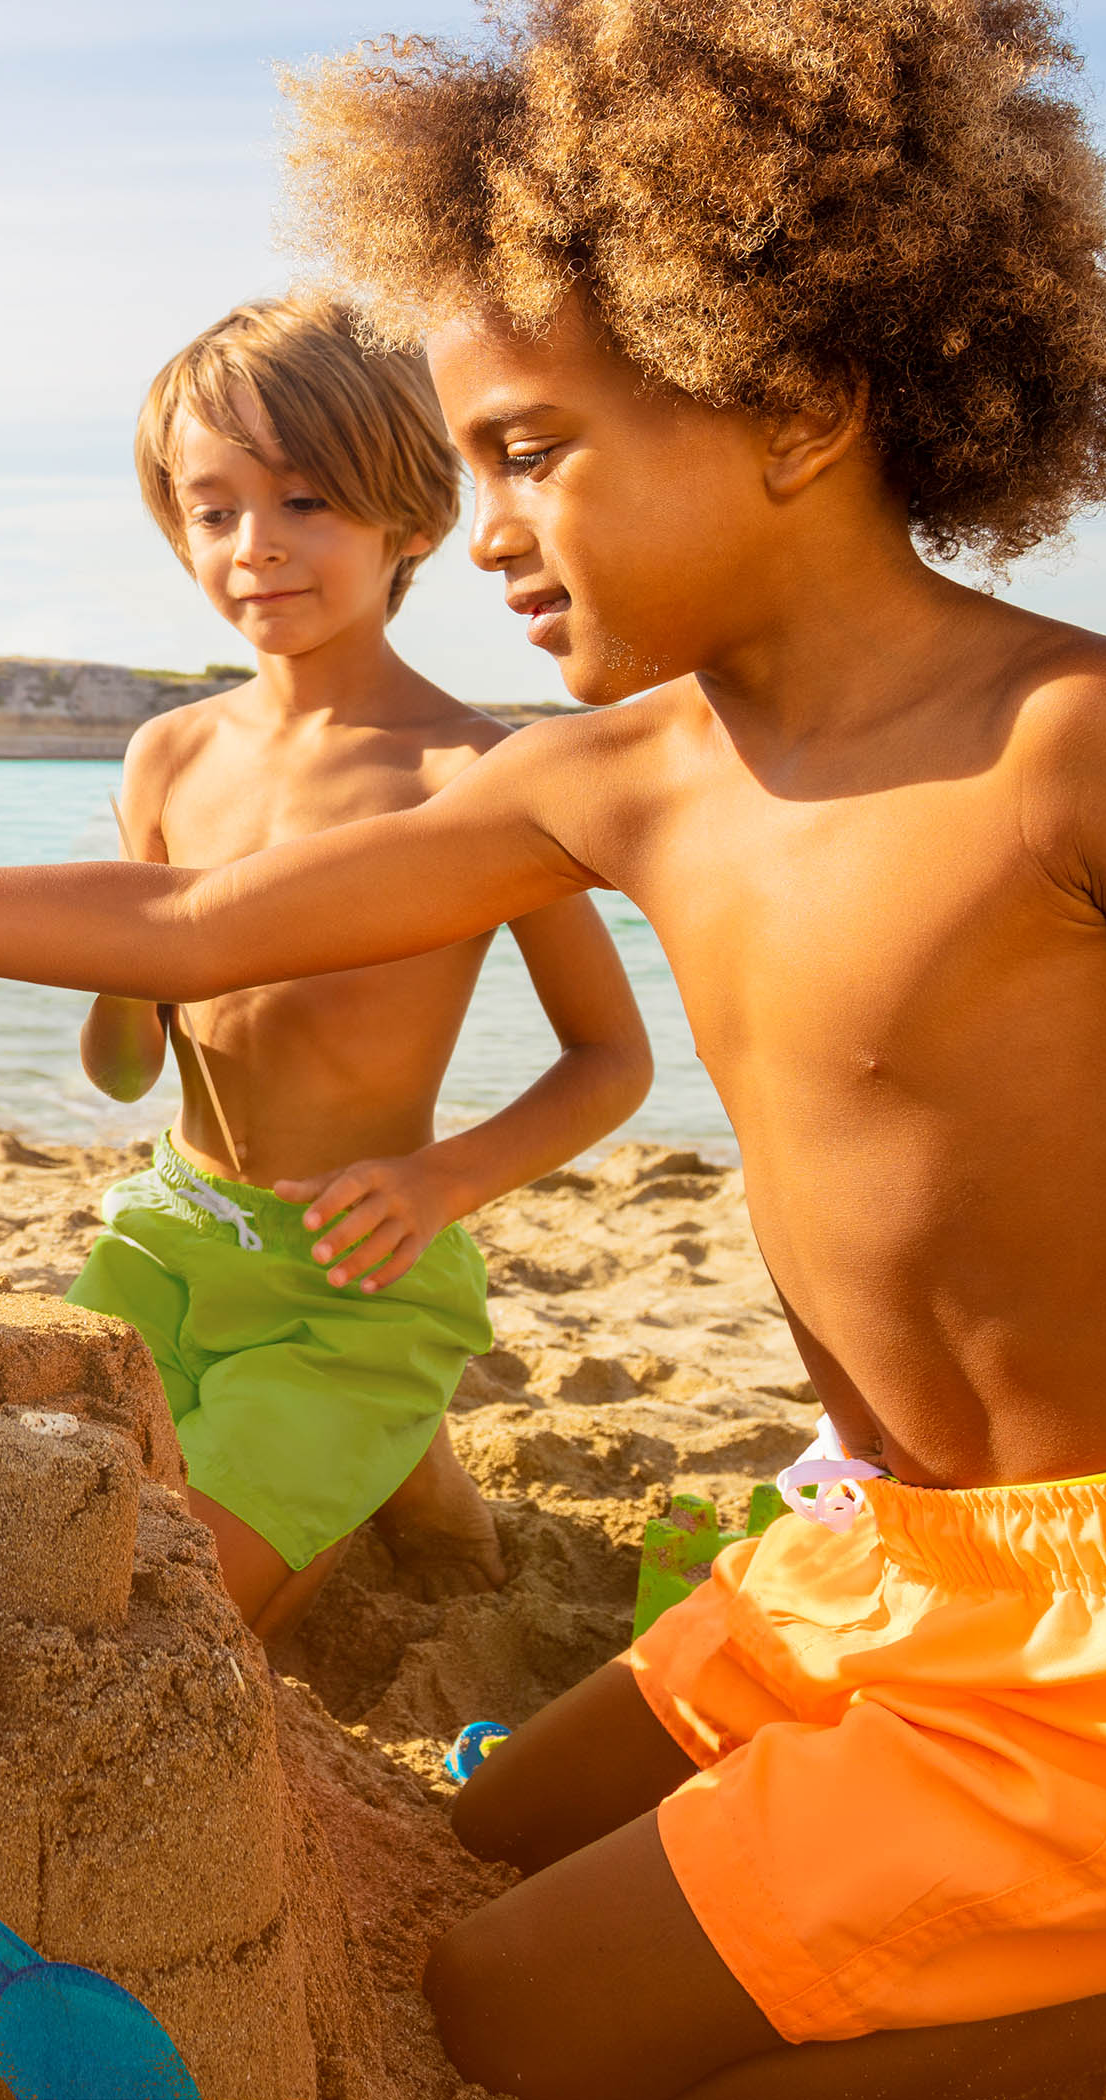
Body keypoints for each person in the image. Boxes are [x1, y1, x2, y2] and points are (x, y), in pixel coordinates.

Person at [0, 0, 1106, 2088]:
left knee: (514, 2018)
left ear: (804, 401)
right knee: (482, 1836)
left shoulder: (1080, 741)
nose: (480, 533)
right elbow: (196, 921)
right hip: (872, 1549)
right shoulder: (627, 773)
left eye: (531, 455)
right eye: (470, 468)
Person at [70, 294, 650, 1641]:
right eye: (213, 513)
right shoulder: (168, 758)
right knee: (36, 1513)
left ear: (413, 520)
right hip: (170, 1238)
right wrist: (114, 958)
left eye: (307, 502)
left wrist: (442, 1181)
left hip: (353, 1274)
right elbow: (118, 1072)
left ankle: (377, 1446)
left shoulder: (479, 776)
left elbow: (613, 1060)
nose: (255, 548)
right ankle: (400, 1475)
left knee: (173, 1606)